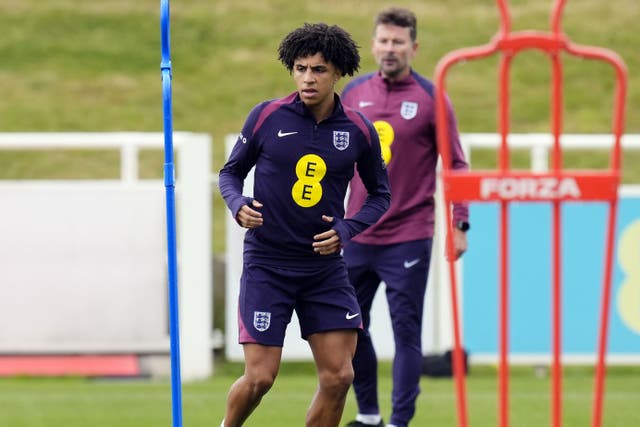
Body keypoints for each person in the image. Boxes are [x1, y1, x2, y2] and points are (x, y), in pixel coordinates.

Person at [218, 22, 391, 427]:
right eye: (300, 68)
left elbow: (381, 195)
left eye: (318, 70)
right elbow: (230, 173)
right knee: (260, 377)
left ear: (338, 73)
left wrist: (347, 229)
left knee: (339, 376)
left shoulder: (359, 130)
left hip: (324, 270)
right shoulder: (266, 116)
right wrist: (237, 202)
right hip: (268, 263)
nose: (308, 78)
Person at [340, 8, 470, 427]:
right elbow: (331, 159)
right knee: (350, 329)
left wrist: (459, 223)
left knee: (406, 332)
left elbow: (456, 165)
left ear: (414, 47)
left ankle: (399, 421)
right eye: (383, 41)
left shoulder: (432, 98)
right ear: (373, 44)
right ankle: (368, 415)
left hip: (409, 235)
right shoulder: (353, 93)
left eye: (398, 42)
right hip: (356, 233)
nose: (390, 49)